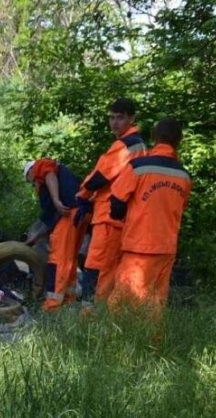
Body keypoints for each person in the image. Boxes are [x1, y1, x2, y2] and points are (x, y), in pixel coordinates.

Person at [108, 117, 192, 318]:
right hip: (166, 248)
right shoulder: (184, 176)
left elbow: (116, 202)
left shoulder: (139, 166)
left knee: (122, 303)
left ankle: (117, 347)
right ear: (179, 141)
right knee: (155, 303)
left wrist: (120, 217)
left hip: (139, 247)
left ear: (154, 137)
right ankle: (152, 346)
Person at [75, 98, 147, 314]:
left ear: (131, 118)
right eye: (112, 117)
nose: (115, 122)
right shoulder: (139, 145)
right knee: (111, 269)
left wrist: (82, 195)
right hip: (120, 218)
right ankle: (107, 314)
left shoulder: (125, 145)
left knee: (96, 267)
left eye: (120, 117)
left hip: (108, 218)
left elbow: (101, 176)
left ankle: (90, 318)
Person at [23, 158, 88, 311]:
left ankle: (52, 305)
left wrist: (56, 200)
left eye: (30, 181)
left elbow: (49, 174)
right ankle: (68, 299)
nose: (33, 185)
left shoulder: (40, 167)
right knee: (69, 260)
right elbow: (48, 218)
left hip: (68, 213)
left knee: (57, 260)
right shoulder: (65, 178)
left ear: (31, 171)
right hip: (81, 214)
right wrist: (32, 239)